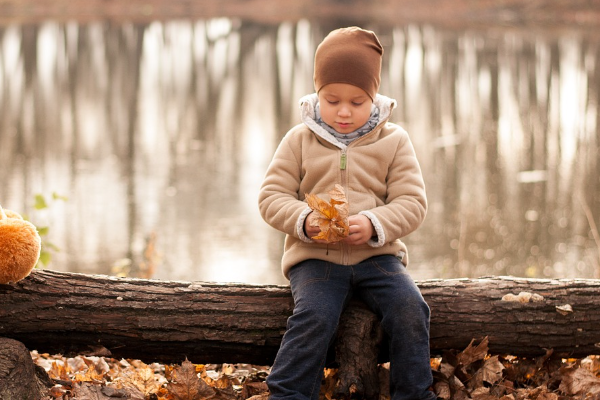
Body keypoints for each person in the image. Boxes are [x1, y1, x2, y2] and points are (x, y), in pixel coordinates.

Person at [258, 27, 436, 400]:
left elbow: (413, 204)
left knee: (410, 309)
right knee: (314, 317)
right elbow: (272, 197)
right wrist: (305, 221)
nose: (343, 111)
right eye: (332, 99)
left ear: (374, 98)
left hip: (378, 259)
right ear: (317, 94)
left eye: (357, 102)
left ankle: (415, 394)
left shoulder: (394, 140)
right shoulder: (299, 140)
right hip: (315, 259)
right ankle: (287, 393)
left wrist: (374, 224)